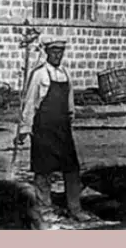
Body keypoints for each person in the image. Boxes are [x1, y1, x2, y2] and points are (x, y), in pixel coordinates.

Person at [16, 39, 94, 226]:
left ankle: (75, 208)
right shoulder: (39, 74)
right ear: (47, 53)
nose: (58, 55)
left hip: (62, 128)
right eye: (54, 52)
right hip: (43, 128)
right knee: (43, 170)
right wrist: (25, 128)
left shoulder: (65, 73)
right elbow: (30, 101)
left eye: (61, 52)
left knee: (72, 168)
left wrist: (71, 116)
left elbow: (69, 100)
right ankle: (45, 209)